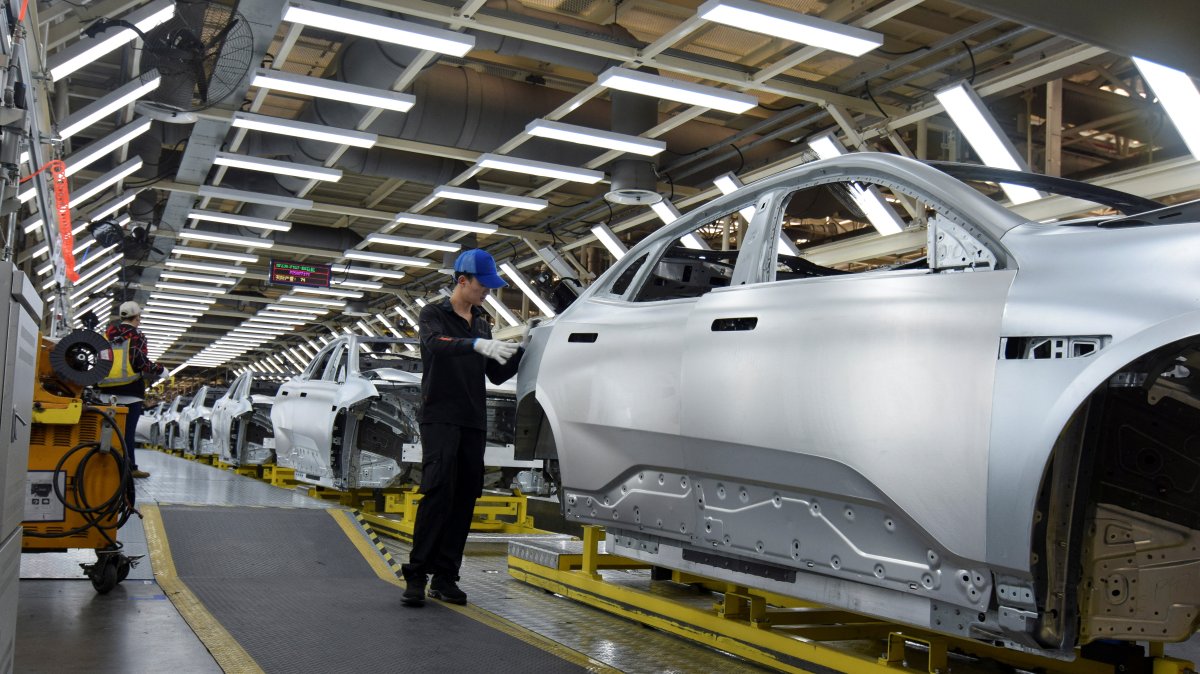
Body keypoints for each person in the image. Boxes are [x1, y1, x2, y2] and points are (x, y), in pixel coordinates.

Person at [402, 249, 531, 607]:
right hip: (440, 416)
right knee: (438, 491)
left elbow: (494, 373)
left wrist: (522, 351)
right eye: (482, 286)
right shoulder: (434, 314)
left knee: (464, 498)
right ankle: (417, 574)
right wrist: (475, 343)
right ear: (462, 281)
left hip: (473, 420)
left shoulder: (482, 322)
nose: (487, 292)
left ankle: (446, 576)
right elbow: (434, 346)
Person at [98, 301, 166, 478]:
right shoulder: (137, 335)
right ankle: (130, 468)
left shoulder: (107, 334)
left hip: (106, 391)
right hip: (131, 393)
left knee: (106, 431)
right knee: (127, 434)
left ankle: (102, 466)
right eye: (139, 318)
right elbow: (140, 362)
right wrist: (160, 370)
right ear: (137, 318)